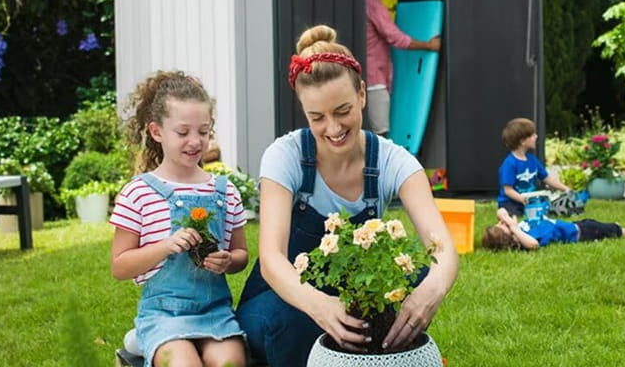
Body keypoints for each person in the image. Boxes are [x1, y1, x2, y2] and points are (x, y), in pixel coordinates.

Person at [236, 24, 459, 366]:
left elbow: (441, 248)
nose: (334, 128)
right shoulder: (285, 156)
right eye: (317, 117)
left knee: (415, 278)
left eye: (342, 111)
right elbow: (272, 260)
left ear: (362, 96)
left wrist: (432, 290)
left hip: (352, 294)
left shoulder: (392, 161)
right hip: (281, 301)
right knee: (294, 323)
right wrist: (319, 306)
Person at [109, 71, 249, 367]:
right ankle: (146, 338)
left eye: (204, 131)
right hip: (163, 315)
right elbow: (119, 266)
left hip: (215, 311)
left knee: (231, 362)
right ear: (157, 132)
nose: (195, 141)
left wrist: (228, 261)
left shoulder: (225, 190)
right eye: (183, 132)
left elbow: (241, 255)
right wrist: (165, 246)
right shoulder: (139, 192)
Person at [365, 0, 441, 136]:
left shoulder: (360, 2)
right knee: (380, 135)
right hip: (375, 81)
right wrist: (429, 45)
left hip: (364, 79)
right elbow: (395, 38)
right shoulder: (372, 3)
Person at [497, 117, 570, 220]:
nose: (536, 136)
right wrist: (522, 199)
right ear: (522, 141)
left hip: (530, 200)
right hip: (511, 202)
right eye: (532, 135)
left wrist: (565, 189)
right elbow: (508, 190)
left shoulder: (532, 160)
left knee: (548, 210)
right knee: (511, 215)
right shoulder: (509, 164)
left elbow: (547, 178)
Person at [482, 213, 625, 251]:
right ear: (508, 236)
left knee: (605, 227)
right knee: (613, 230)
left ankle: (611, 228)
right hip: (581, 232)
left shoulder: (519, 231)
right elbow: (534, 245)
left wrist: (510, 223)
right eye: (501, 226)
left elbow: (504, 212)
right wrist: (513, 227)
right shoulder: (524, 239)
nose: (502, 222)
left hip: (575, 225)